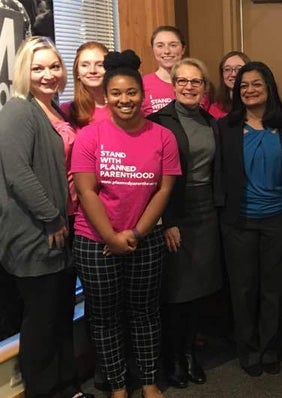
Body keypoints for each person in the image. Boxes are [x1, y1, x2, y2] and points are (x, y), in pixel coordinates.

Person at [71, 49, 181, 398]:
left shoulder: (163, 137)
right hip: (95, 241)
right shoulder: (91, 136)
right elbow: (87, 192)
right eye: (116, 93)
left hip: (144, 238)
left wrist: (134, 233)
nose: (124, 99)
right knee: (104, 317)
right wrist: (111, 237)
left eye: (131, 92)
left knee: (145, 313)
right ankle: (118, 385)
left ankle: (148, 381)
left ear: (142, 95)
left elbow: (164, 191)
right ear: (107, 95)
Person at [0, 35, 91, 398]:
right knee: (41, 321)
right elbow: (17, 173)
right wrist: (51, 219)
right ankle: (43, 390)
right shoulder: (19, 110)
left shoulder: (57, 109)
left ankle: (68, 386)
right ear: (24, 71)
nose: (48, 74)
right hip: (35, 232)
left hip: (64, 229)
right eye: (38, 68)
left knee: (61, 316)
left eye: (54, 66)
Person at [215, 61, 282, 377]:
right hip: (238, 221)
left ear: (269, 87)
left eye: (256, 84)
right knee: (243, 289)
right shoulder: (225, 127)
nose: (249, 90)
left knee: (273, 289)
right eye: (243, 85)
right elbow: (218, 174)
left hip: (276, 219)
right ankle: (247, 350)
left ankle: (269, 348)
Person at [146, 58, 222, 389]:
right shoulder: (158, 122)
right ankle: (174, 357)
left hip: (207, 212)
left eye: (196, 82)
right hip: (175, 211)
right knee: (177, 291)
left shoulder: (210, 121)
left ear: (205, 88)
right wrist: (167, 221)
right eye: (183, 81)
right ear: (173, 85)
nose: (189, 87)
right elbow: (153, 178)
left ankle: (190, 353)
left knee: (201, 289)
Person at [142, 26, 206, 114]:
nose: (167, 51)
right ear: (153, 49)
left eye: (173, 45)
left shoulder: (198, 83)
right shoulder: (143, 84)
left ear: (183, 49)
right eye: (160, 46)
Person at [61, 41, 110, 128]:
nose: (92, 70)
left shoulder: (122, 107)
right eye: (85, 65)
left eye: (100, 65)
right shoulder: (67, 111)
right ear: (77, 72)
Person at [208, 50, 250, 119]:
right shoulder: (216, 108)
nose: (233, 74)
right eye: (227, 69)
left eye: (239, 69)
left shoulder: (256, 104)